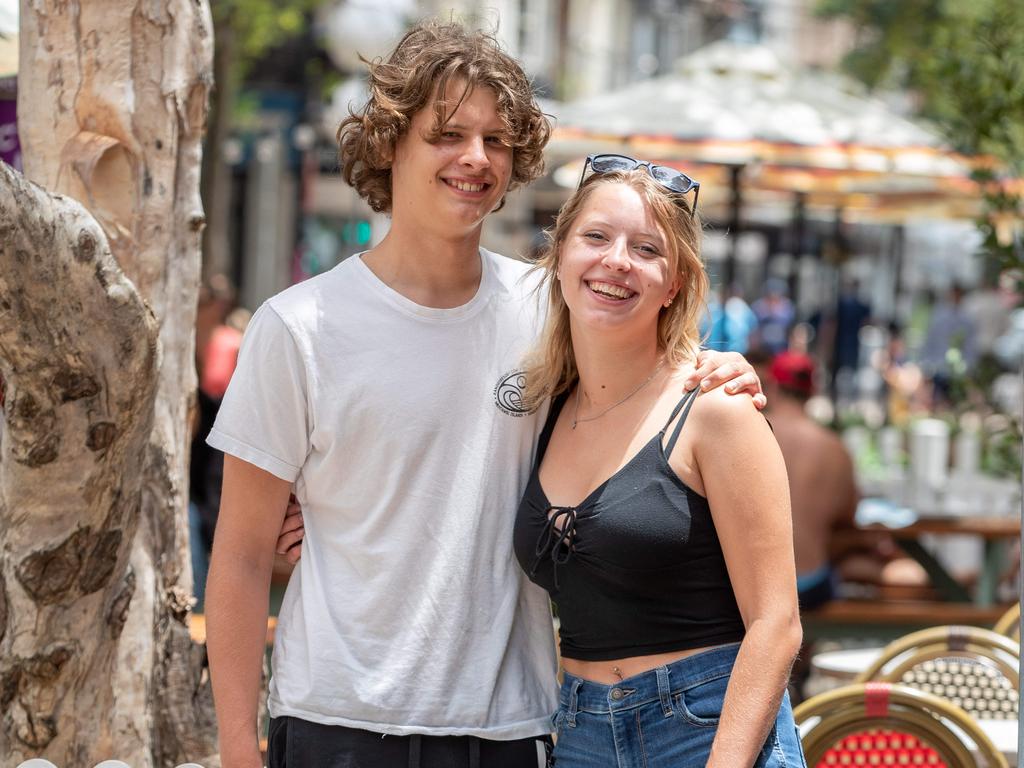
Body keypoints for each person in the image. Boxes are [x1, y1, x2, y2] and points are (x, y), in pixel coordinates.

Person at [206, 21, 765, 768]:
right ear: (389, 142)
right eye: (448, 134)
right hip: (332, 719)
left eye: (497, 140)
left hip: (506, 728)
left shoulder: (556, 310)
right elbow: (241, 555)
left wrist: (725, 369)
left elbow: (657, 395)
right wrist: (238, 750)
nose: (475, 159)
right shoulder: (297, 326)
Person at [512, 157, 804, 767]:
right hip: (579, 732)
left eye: (646, 249)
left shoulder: (715, 408)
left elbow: (777, 624)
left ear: (673, 284)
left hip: (704, 729)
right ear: (560, 255)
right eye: (595, 237)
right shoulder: (543, 408)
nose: (616, 260)